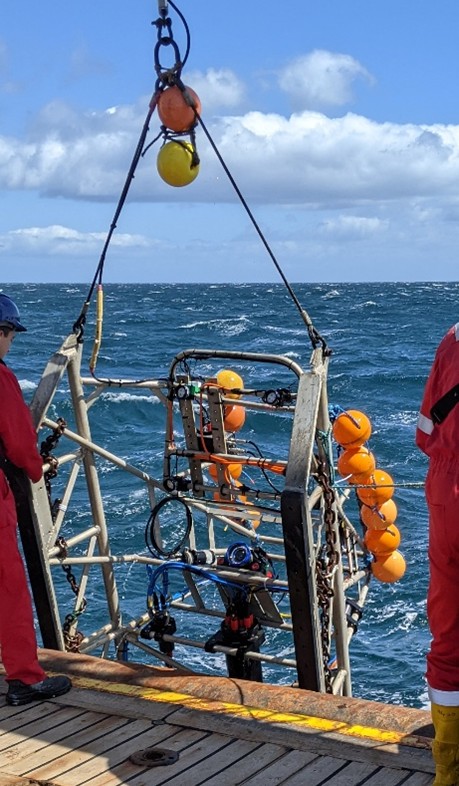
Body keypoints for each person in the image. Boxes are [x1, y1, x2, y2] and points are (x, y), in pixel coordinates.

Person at [0, 293, 72, 706]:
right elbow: (20, 443)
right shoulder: (1, 379)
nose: (10, 343)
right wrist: (33, 469)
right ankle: (25, 679)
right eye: (9, 334)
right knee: (9, 589)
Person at [416, 321, 459, 786]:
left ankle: (448, 771)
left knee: (449, 636)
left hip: (447, 495)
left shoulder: (452, 337)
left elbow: (427, 431)